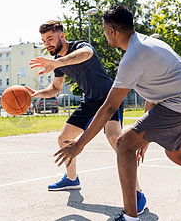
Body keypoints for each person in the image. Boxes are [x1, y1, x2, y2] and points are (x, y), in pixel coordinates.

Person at [55, 6, 181, 221]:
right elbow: (153, 93)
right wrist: (145, 136)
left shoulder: (133, 56)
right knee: (177, 154)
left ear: (112, 31)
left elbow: (109, 107)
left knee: (124, 144)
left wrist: (80, 143)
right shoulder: (146, 43)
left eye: (104, 30)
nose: (104, 34)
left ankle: (130, 217)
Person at [27, 20, 147, 215]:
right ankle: (72, 179)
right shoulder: (58, 62)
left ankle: (137, 194)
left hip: (109, 96)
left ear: (62, 35)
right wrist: (37, 93)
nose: (47, 43)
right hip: (90, 101)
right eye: (43, 40)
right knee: (64, 138)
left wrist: (57, 62)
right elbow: (56, 88)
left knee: (117, 142)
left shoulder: (80, 47)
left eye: (50, 38)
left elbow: (87, 54)